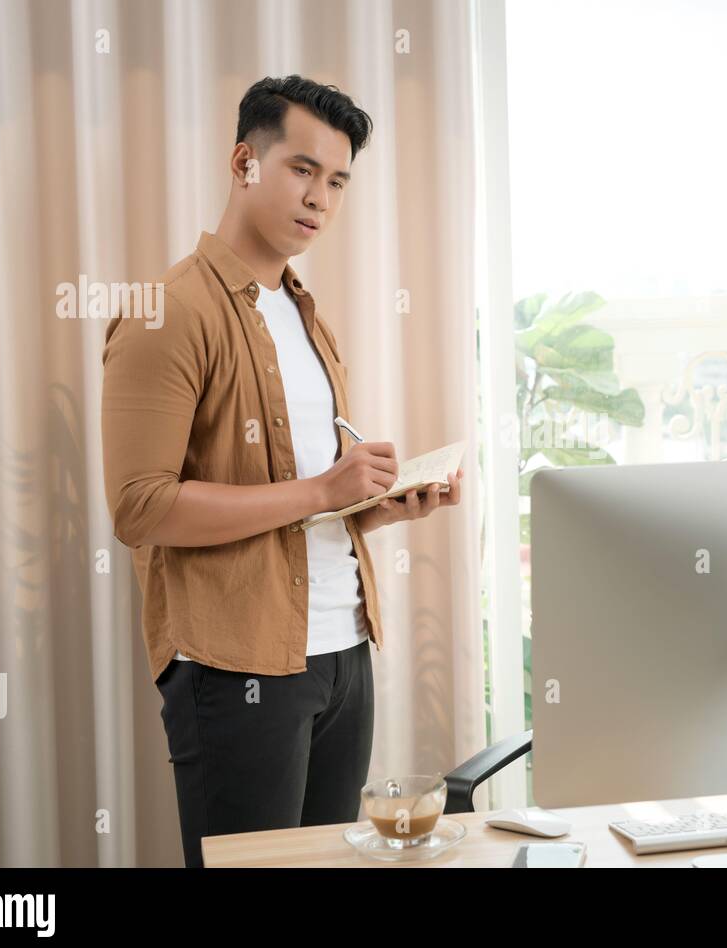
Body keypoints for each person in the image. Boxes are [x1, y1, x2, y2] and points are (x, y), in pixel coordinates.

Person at [100, 74, 463, 867]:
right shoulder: (167, 310)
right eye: (302, 170)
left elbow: (298, 513)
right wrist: (323, 489)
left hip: (343, 653)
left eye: (336, 181)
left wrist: (378, 506)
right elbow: (139, 506)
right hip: (236, 665)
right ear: (243, 162)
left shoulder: (303, 313)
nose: (320, 199)